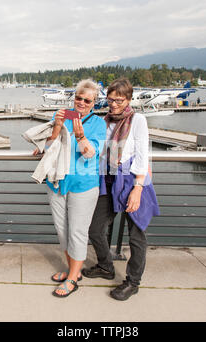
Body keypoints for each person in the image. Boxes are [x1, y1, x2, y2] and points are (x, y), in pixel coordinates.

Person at [82, 77, 160, 301]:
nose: (114, 104)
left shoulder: (138, 120)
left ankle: (133, 282)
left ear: (128, 99)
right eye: (110, 99)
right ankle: (106, 267)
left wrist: (137, 188)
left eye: (119, 100)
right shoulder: (104, 121)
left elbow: (143, 154)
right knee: (95, 228)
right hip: (109, 180)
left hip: (132, 181)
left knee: (136, 237)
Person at [33, 79, 106, 298]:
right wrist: (56, 126)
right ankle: (71, 269)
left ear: (94, 103)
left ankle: (74, 277)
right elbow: (47, 146)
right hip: (57, 181)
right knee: (62, 230)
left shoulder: (98, 124)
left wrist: (81, 134)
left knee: (77, 231)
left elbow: (90, 153)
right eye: (78, 98)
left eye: (87, 100)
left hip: (83, 184)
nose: (81, 102)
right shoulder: (61, 116)